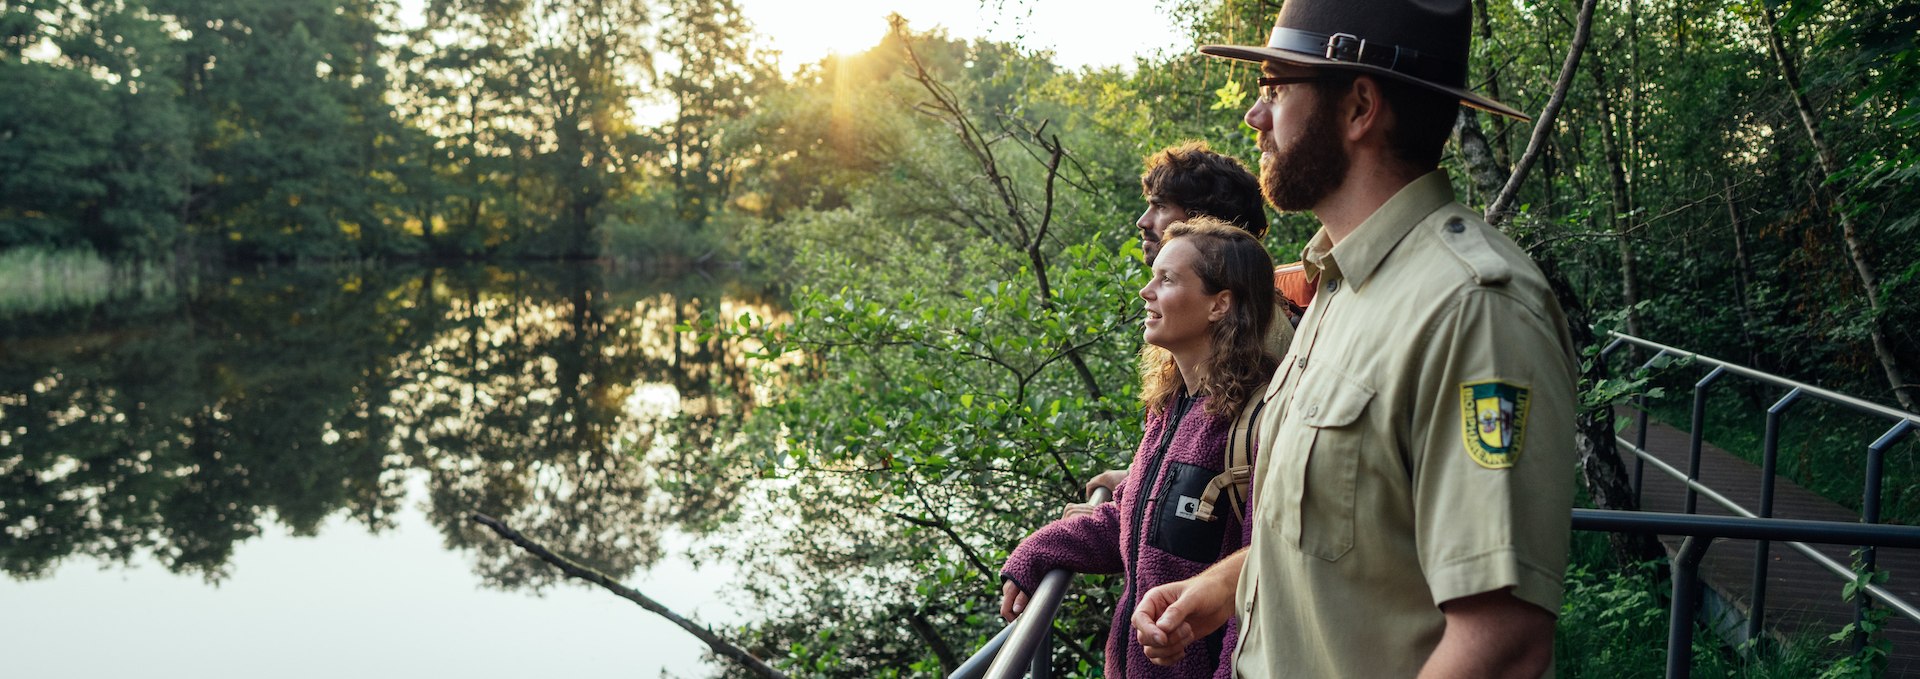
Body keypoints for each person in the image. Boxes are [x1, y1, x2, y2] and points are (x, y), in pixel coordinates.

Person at [1129, 1, 1580, 677]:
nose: (1255, 118)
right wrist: (1221, 588)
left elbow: (1502, 642)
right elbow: (1358, 537)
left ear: (1360, 107)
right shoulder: (1337, 283)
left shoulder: (1472, 308)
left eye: (1276, 90)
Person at [1000, 218, 1280, 679]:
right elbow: (1138, 528)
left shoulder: (1257, 420)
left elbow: (1260, 578)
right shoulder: (1171, 408)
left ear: (1219, 305)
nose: (1146, 292)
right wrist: (1038, 551)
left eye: (1166, 280)